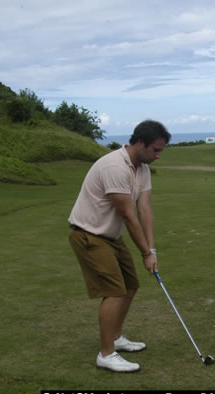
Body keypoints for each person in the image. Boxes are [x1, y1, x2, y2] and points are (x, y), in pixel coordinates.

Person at [68, 120, 171, 372]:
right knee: (114, 291)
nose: (158, 156)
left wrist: (152, 250)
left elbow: (144, 209)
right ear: (139, 143)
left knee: (130, 286)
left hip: (112, 237)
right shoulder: (114, 166)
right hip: (89, 235)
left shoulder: (142, 168)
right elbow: (127, 214)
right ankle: (106, 354)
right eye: (155, 150)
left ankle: (115, 337)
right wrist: (145, 253)